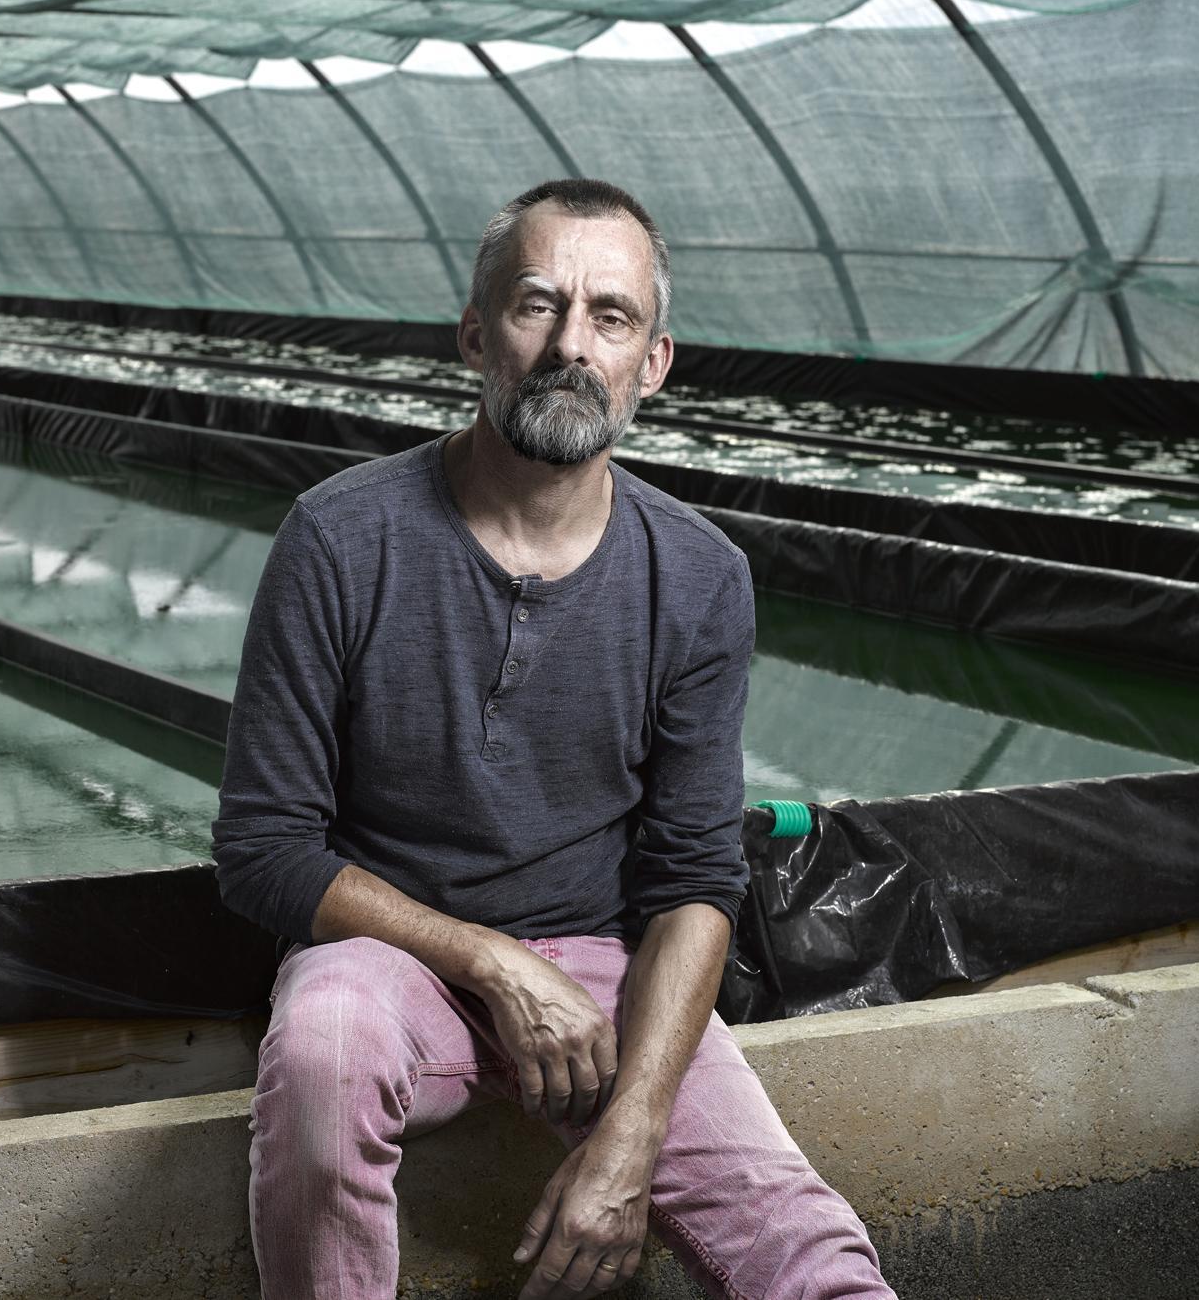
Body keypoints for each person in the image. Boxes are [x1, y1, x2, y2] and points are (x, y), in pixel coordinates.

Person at [213, 178, 895, 1299]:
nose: (572, 344)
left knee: (807, 1247)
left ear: (652, 362)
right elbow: (263, 849)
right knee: (323, 1050)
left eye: (610, 317)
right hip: (391, 960)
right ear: (476, 335)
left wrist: (629, 1138)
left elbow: (693, 881)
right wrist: (492, 961)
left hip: (606, 972)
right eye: (539, 305)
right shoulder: (339, 538)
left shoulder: (699, 576)